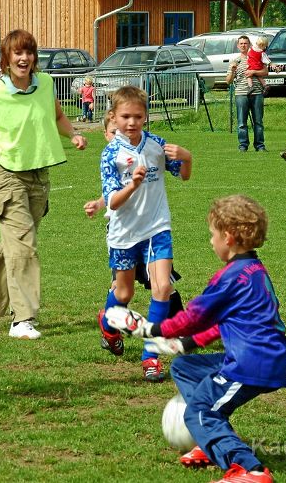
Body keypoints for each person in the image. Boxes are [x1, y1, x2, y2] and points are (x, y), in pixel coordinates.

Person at [105, 194, 286, 483]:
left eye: (212, 235)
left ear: (228, 237)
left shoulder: (230, 278)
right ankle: (210, 439)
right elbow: (225, 323)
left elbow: (194, 317)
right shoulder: (254, 270)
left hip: (251, 362)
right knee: (184, 367)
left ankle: (248, 469)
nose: (211, 241)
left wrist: (148, 329)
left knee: (199, 411)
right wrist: (187, 344)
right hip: (261, 356)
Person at [0, 29, 87, 340]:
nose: (24, 58)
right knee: (24, 245)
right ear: (7, 58)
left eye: (29, 52)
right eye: (17, 53)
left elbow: (57, 116)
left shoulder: (46, 83)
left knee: (15, 246)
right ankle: (22, 320)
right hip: (5, 175)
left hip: (39, 175)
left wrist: (74, 134)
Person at [90, 86, 192, 381]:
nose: (132, 122)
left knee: (162, 288)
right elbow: (111, 202)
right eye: (125, 116)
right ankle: (108, 324)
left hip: (157, 227)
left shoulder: (156, 145)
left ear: (146, 117)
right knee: (124, 293)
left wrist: (187, 157)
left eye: (138, 116)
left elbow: (183, 175)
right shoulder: (111, 154)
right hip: (124, 233)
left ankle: (151, 358)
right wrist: (132, 185)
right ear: (113, 117)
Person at [225, 36, 269, 152]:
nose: (243, 45)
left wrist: (253, 71)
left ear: (250, 45)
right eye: (241, 43)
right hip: (241, 93)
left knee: (258, 121)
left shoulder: (256, 56)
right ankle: (243, 146)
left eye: (246, 43)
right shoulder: (235, 61)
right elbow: (228, 81)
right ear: (238, 46)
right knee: (241, 122)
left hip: (257, 92)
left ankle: (260, 146)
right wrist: (233, 70)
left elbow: (266, 72)